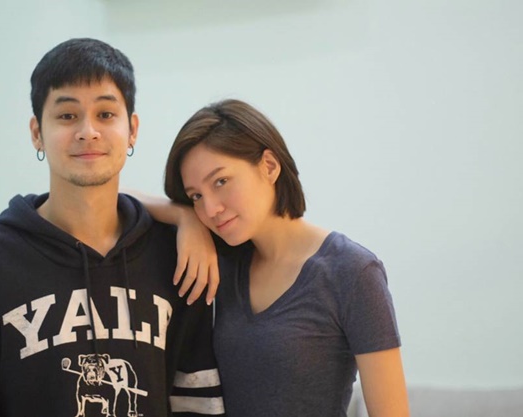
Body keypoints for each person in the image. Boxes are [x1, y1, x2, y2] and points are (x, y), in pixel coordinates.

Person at [0, 38, 224, 417]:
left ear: (132, 129)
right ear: (37, 133)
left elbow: (197, 400)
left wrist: (186, 218)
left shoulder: (177, 255)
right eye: (67, 116)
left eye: (106, 114)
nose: (88, 131)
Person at [143, 99, 409, 417]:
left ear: (269, 166)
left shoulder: (352, 271)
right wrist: (184, 217)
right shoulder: (222, 264)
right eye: (196, 196)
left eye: (221, 181)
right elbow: (115, 196)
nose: (210, 209)